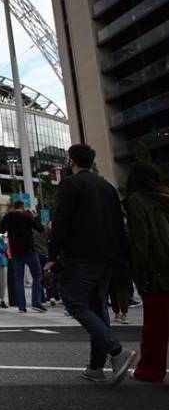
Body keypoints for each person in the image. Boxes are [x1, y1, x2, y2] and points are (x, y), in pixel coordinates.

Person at [48, 144, 137, 385]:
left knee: (74, 301)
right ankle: (96, 366)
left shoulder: (70, 184)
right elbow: (119, 223)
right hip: (107, 256)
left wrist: (53, 255)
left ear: (71, 161)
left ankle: (117, 351)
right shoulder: (107, 187)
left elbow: (62, 220)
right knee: (97, 306)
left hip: (81, 254)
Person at [123, 161, 169, 383]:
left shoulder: (137, 201)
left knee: (155, 325)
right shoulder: (164, 198)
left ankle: (150, 369)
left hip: (157, 271)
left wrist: (138, 272)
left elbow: (141, 243)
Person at [0, 201, 46, 313]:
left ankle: (21, 306)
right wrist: (33, 217)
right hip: (29, 251)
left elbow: (1, 231)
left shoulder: (8, 217)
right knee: (37, 275)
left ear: (13, 207)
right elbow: (40, 228)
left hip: (15, 252)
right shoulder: (26, 216)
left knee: (18, 279)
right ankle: (36, 302)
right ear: (22, 207)